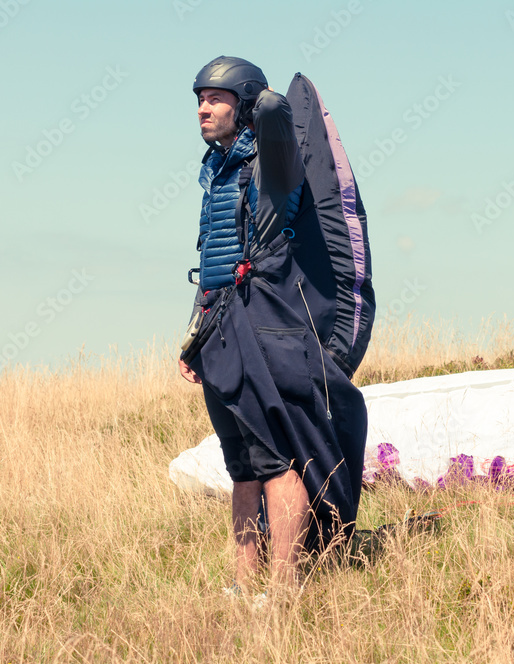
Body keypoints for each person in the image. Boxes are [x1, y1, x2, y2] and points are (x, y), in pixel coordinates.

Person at [178, 56, 372, 593]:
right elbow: (212, 262)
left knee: (277, 461)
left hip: (264, 323)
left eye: (216, 98)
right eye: (199, 99)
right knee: (241, 464)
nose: (203, 108)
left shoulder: (273, 166)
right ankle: (244, 584)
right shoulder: (216, 175)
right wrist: (192, 337)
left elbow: (275, 112)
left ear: (242, 105)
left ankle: (284, 590)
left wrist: (258, 96)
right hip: (218, 324)